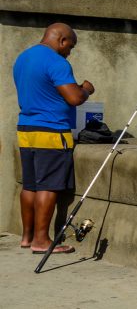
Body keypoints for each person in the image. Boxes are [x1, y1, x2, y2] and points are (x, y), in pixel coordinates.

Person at [14, 23, 95, 254]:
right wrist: (86, 89)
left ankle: (27, 236)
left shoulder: (24, 57)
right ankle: (41, 240)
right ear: (61, 40)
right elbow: (74, 98)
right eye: (71, 45)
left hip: (26, 129)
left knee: (30, 186)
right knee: (48, 187)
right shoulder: (57, 62)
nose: (71, 50)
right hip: (51, 131)